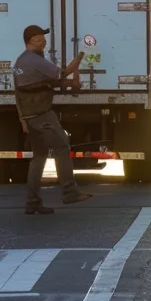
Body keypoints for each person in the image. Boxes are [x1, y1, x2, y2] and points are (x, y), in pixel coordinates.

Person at [14, 25, 93, 215]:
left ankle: (32, 202)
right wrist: (79, 59)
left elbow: (23, 90)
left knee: (39, 156)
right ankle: (70, 192)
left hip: (30, 115)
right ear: (32, 40)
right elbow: (61, 74)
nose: (45, 40)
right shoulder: (34, 60)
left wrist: (22, 118)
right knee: (62, 146)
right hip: (41, 114)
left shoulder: (21, 61)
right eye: (41, 37)